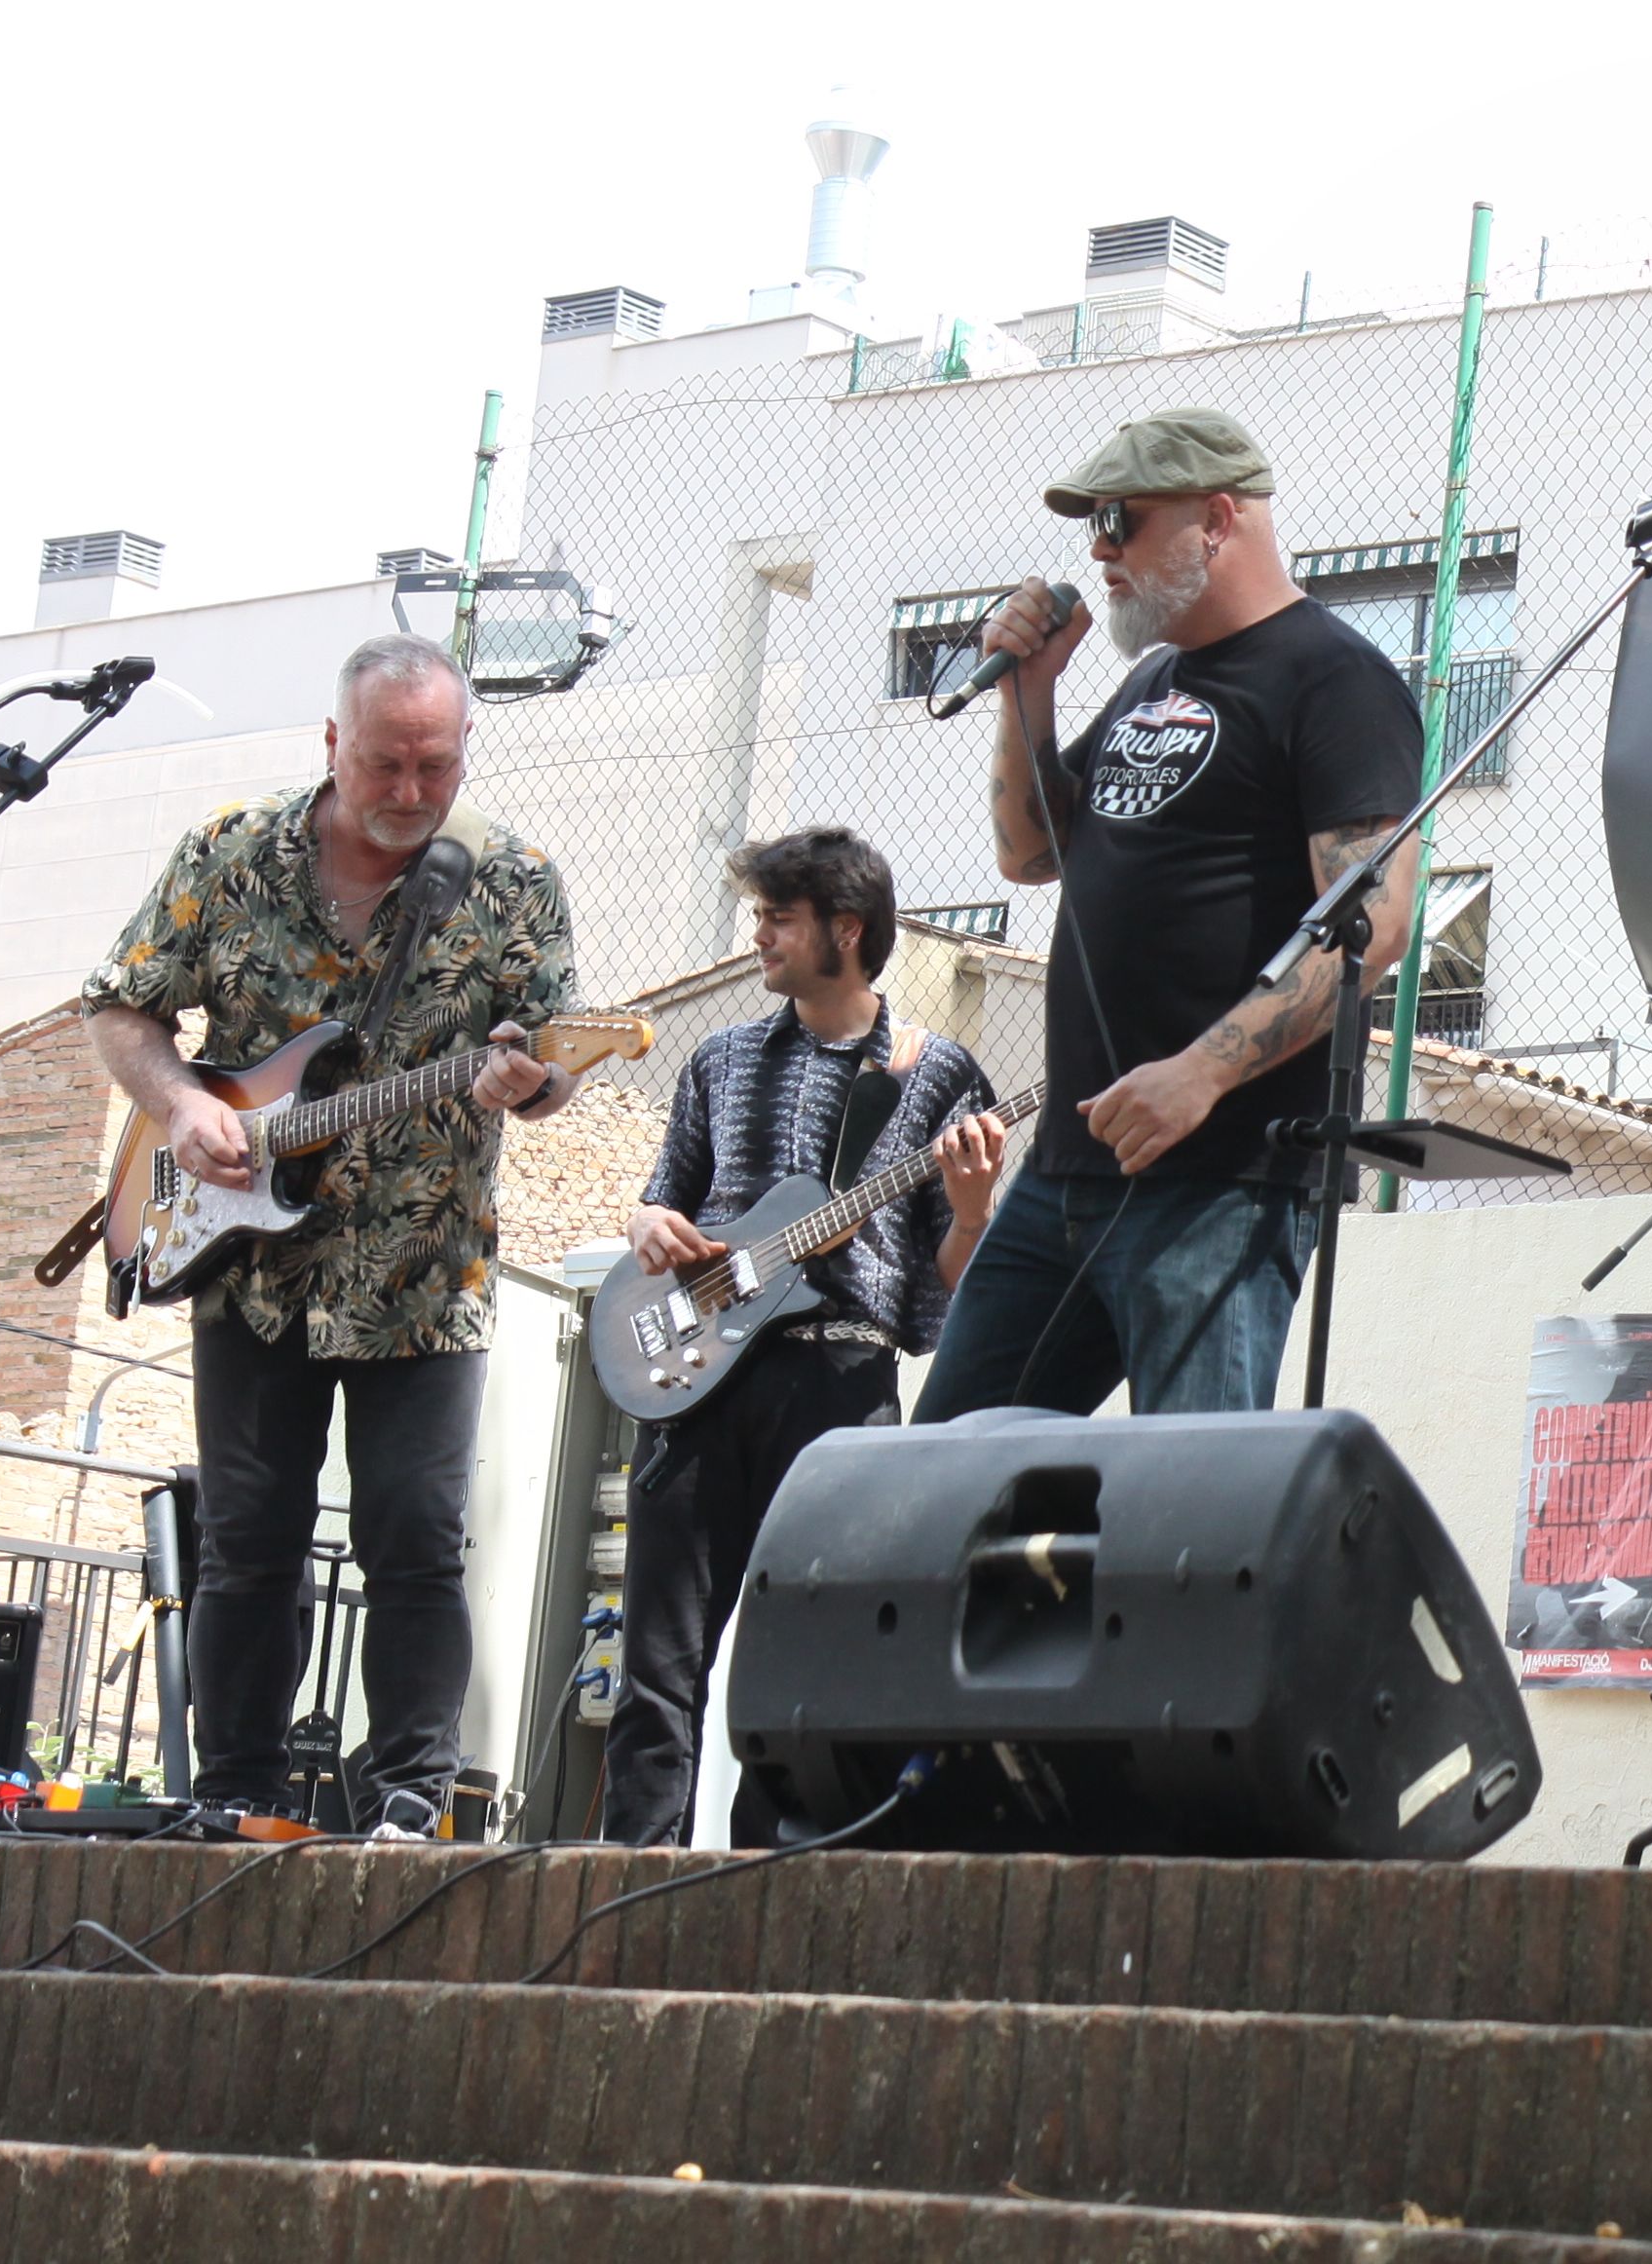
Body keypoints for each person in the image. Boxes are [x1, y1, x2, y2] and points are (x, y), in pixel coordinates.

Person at [78, 632, 580, 1832]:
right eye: (384, 763)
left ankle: (407, 1795)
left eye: (436, 765)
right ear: (331, 744)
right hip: (247, 1265)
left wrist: (533, 1082)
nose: (410, 790)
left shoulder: (513, 880)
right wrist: (183, 1106)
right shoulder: (230, 853)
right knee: (249, 1540)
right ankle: (234, 1798)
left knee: (418, 1537)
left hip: (424, 1272)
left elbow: (557, 1056)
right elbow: (119, 1005)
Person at [912, 407, 1425, 1423]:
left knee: (1185, 1498)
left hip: (1219, 1184)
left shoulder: (1335, 677)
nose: (1099, 551)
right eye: (1092, 527)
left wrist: (1203, 1072)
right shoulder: (1152, 678)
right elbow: (1028, 854)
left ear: (1218, 520)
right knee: (943, 1476)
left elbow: (1378, 923)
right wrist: (1029, 692)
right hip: (1067, 1173)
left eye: (1121, 520)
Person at [601, 827, 1009, 1848]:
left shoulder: (938, 1073)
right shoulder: (721, 1059)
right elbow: (662, 1202)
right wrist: (648, 1227)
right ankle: (629, 1874)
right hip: (699, 1376)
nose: (759, 937)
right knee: (659, 1659)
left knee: (810, 1656)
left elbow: (949, 1290)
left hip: (841, 1379)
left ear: (847, 930)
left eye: (778, 919)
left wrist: (971, 1213)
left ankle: (769, 1879)